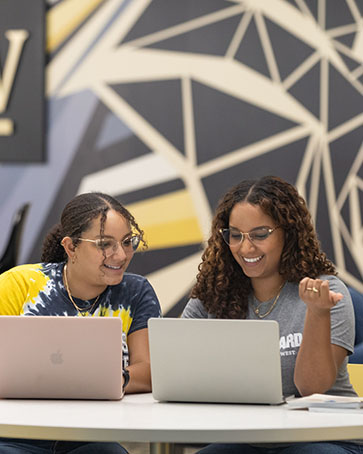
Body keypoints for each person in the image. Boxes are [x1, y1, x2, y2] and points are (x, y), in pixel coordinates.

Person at [182, 176, 362, 454]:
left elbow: (312, 388)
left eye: (260, 234)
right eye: (235, 235)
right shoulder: (213, 293)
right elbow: (178, 374)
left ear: (288, 233)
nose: (245, 248)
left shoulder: (326, 292)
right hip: (247, 441)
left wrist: (316, 313)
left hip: (322, 438)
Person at [0, 192, 161, 454]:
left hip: (90, 435)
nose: (120, 255)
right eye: (104, 244)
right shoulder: (18, 284)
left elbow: (150, 371)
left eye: (127, 242)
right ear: (71, 247)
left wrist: (111, 380)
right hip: (15, 432)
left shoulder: (136, 292)